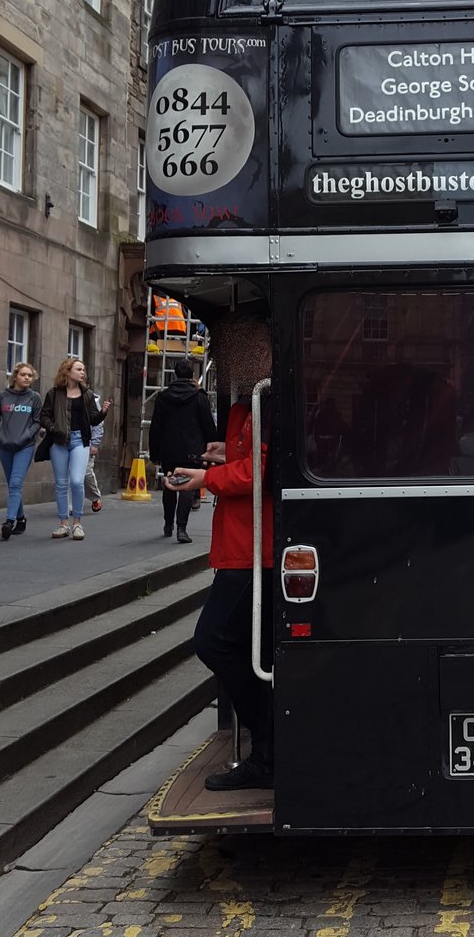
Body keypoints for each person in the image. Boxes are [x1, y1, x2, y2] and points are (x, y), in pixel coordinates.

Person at [165, 313, 273, 790]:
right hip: (240, 543)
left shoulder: (268, 397)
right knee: (241, 646)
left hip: (256, 546)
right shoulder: (249, 402)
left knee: (213, 641)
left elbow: (263, 471)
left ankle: (268, 746)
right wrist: (221, 457)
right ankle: (268, 744)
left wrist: (208, 476)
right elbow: (249, 460)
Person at [40, 358, 111, 541]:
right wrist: (53, 428)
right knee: (61, 484)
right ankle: (63, 524)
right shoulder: (54, 394)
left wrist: (103, 412)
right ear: (67, 371)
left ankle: (77, 523)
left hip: (80, 440)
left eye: (83, 370)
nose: (82, 373)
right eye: (79, 369)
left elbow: (93, 420)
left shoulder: (87, 394)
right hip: (59, 442)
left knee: (77, 481)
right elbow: (44, 415)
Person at [149, 358, 216, 543]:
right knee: (186, 486)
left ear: (176, 374)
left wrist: (154, 452)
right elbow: (208, 425)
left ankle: (168, 523)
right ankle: (182, 528)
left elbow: (156, 426)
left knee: (169, 485)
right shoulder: (198, 397)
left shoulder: (163, 397)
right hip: (192, 448)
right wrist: (212, 447)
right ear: (192, 375)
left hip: (169, 448)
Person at [0, 363, 43, 541]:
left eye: (30, 376)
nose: (27, 378)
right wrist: (0, 436)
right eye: (23, 375)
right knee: (12, 484)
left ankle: (9, 522)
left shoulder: (34, 398)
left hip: (25, 446)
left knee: (16, 482)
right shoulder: (2, 397)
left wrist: (26, 436)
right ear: (15, 376)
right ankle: (21, 518)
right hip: (5, 446)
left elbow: (37, 422)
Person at [84, 393, 104, 512]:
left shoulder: (92, 400)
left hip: (87, 441)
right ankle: (68, 505)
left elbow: (98, 423)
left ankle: (95, 497)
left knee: (86, 472)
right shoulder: (61, 395)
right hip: (67, 441)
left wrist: (95, 443)